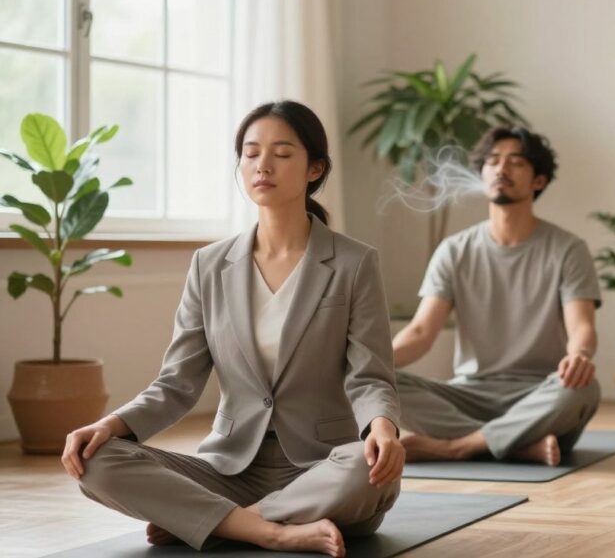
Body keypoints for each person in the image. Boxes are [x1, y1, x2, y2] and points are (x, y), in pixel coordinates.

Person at [61, 100, 403, 557]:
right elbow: (177, 384)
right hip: (228, 470)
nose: (263, 165)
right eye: (251, 153)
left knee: (367, 469)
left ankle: (216, 520)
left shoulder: (354, 263)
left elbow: (370, 376)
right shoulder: (209, 264)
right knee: (95, 459)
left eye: (282, 153)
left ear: (315, 169)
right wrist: (109, 424)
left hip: (322, 468)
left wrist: (382, 428)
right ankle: (267, 530)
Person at [392, 126, 602, 467]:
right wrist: (370, 367)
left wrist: (580, 355)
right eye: (492, 161)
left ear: (538, 181)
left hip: (539, 396)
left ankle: (456, 447)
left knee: (584, 388)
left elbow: (582, 327)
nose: (501, 168)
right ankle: (514, 445)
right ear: (482, 175)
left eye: (516, 162)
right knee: (380, 381)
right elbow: (420, 332)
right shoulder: (453, 250)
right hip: (469, 395)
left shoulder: (568, 249)